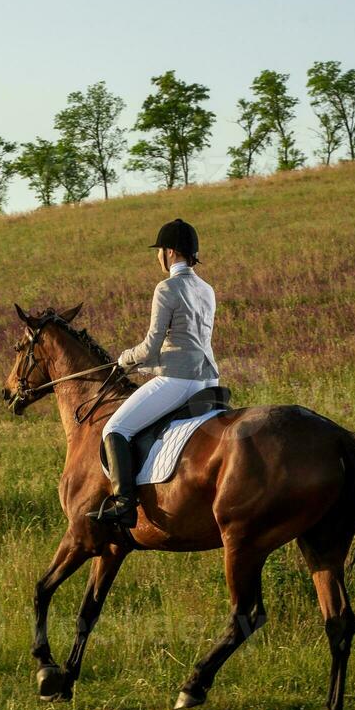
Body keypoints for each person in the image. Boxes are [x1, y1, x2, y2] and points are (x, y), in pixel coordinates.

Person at [89, 218, 220, 527]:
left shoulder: (167, 288)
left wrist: (123, 359)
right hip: (209, 379)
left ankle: (123, 503)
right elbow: (190, 341)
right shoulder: (206, 288)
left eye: (159, 250)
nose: (157, 256)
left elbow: (150, 347)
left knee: (115, 429)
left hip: (178, 380)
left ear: (171, 252)